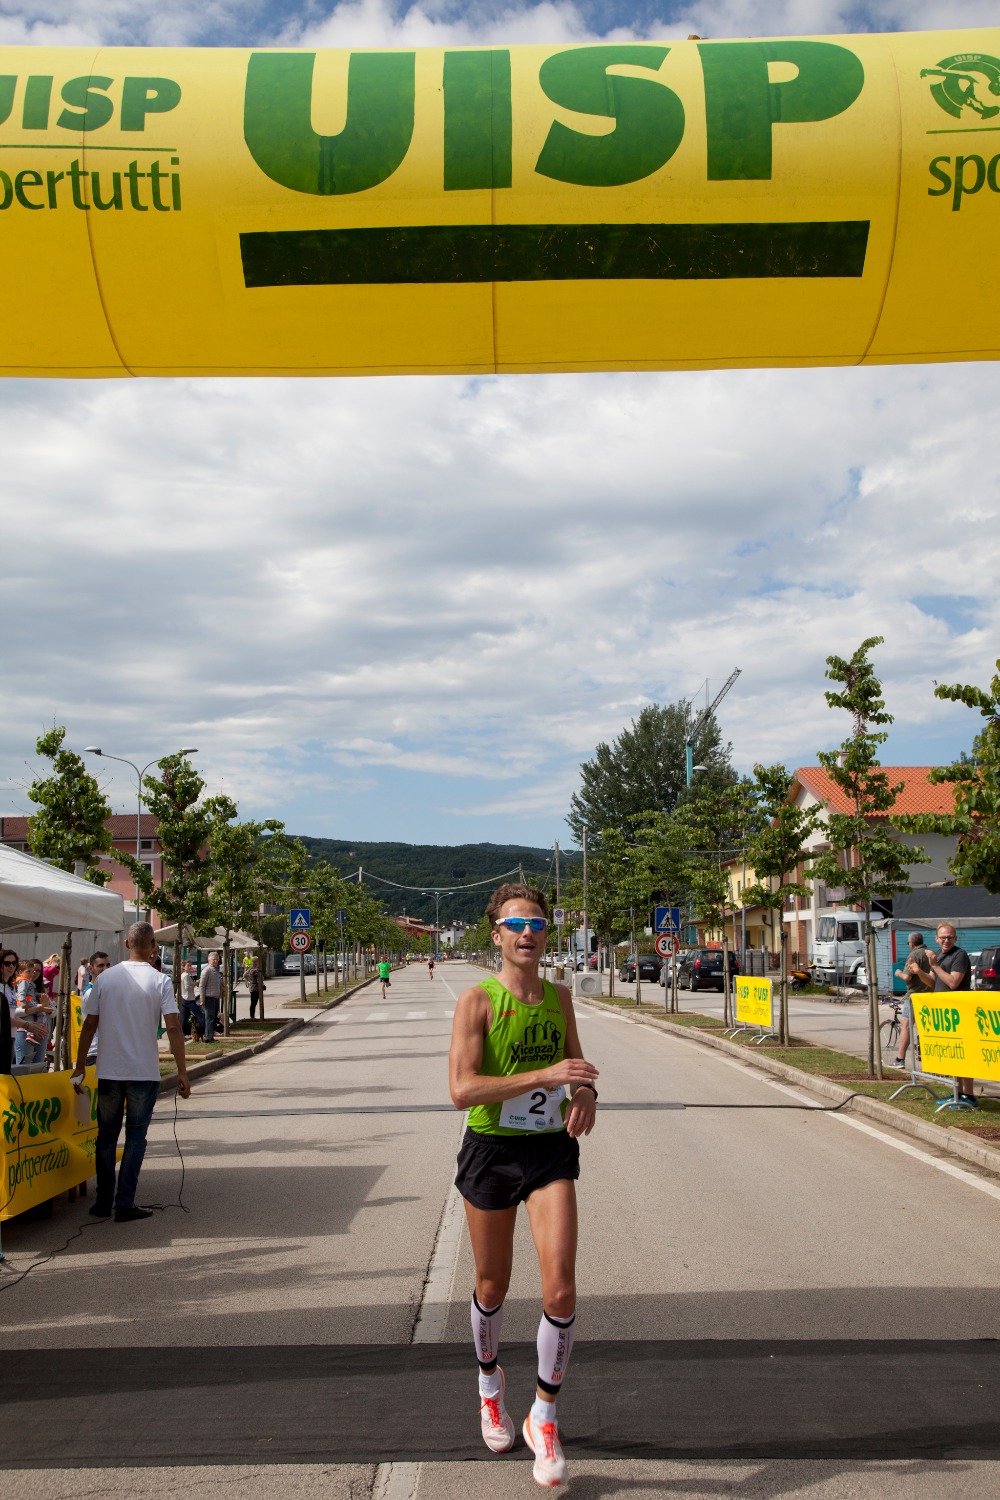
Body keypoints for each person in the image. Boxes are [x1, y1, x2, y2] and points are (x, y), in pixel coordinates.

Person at [449, 882, 598, 1490]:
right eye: (516, 924)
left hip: (547, 1151)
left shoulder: (560, 997)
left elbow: (577, 1070)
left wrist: (584, 1093)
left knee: (560, 1287)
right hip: (491, 1152)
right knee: (492, 1283)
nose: (528, 933)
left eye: (536, 923)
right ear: (497, 935)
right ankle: (490, 1386)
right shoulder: (477, 1002)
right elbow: (463, 1089)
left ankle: (544, 1415)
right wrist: (544, 1075)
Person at [72, 921, 191, 1222]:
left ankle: (103, 1201)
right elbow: (173, 1028)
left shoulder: (104, 978)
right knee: (136, 1137)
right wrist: (182, 1071)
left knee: (106, 1136)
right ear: (153, 946)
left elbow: (89, 1025)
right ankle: (124, 1203)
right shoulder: (160, 980)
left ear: (126, 944)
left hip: (110, 1070)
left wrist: (79, 1065)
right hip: (143, 1072)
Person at [910, 924, 976, 1104]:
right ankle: (957, 1093)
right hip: (946, 1014)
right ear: (936, 939)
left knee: (963, 1055)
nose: (946, 940)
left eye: (950, 937)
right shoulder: (938, 954)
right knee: (954, 1055)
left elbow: (953, 982)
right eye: (943, 937)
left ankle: (969, 1095)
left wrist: (934, 965)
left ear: (955, 938)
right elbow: (932, 982)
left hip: (960, 1011)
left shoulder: (959, 955)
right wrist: (919, 972)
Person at [892, 931, 931, 1068]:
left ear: (911, 943)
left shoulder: (914, 955)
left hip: (915, 995)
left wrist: (898, 973)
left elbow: (907, 977)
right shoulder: (930, 953)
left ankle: (900, 1059)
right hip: (930, 995)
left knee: (906, 1026)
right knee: (926, 1027)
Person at [13, 958, 52, 1067]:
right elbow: (16, 1012)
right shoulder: (20, 984)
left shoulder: (39, 988)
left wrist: (46, 1007)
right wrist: (37, 1009)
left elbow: (53, 1012)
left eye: (38, 971)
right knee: (23, 1067)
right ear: (21, 971)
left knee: (38, 1066)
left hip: (42, 1031)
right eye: (31, 970)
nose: (34, 973)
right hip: (24, 1030)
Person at [199, 951, 222, 1042]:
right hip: (209, 997)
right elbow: (202, 985)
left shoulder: (216, 971)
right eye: (214, 959)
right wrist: (202, 999)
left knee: (214, 1018)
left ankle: (211, 1036)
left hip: (215, 997)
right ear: (209, 960)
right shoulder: (206, 970)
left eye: (217, 959)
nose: (215, 961)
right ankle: (208, 1037)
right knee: (209, 1018)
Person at [1, 949, 17, 1074]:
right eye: (7, 963)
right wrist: (26, 1025)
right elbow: (3, 1017)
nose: (11, 966)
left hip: (10, 1036)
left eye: (14, 963)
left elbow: (12, 1013)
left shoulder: (10, 987)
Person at [179, 960, 203, 1037]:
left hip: (184, 998)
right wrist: (195, 983)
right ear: (184, 967)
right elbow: (187, 987)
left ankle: (181, 1033)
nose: (189, 967)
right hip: (189, 999)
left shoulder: (183, 975)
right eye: (188, 966)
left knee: (184, 1017)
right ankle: (207, 1030)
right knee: (199, 1014)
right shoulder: (186, 976)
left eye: (190, 966)